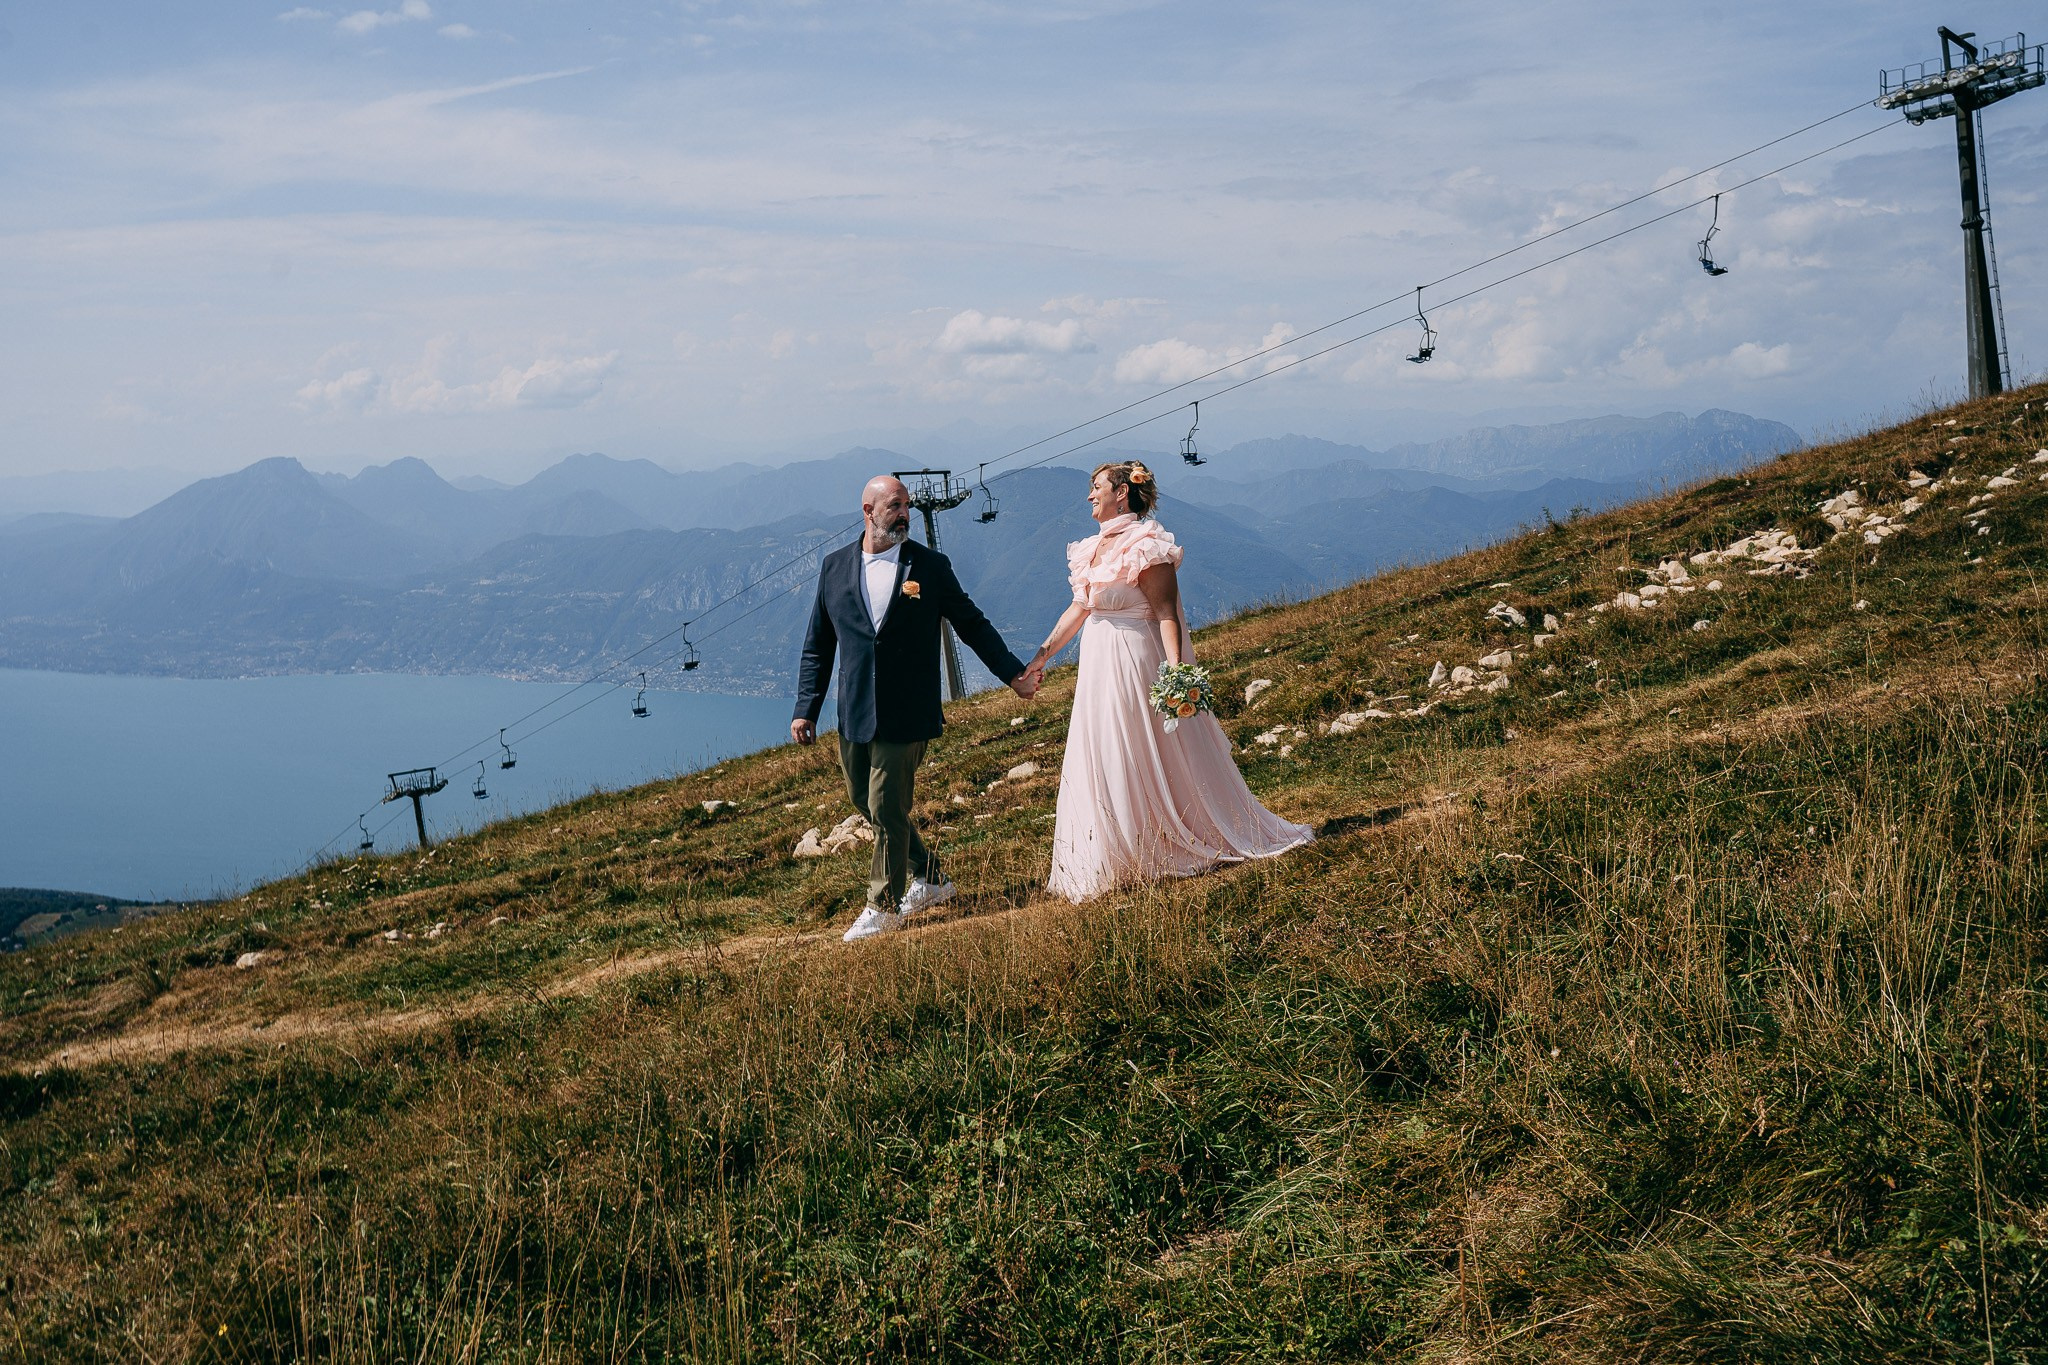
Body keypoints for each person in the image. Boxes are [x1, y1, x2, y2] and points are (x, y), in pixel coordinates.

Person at [1024, 460, 1311, 901]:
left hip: (1133, 660)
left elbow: (1165, 613)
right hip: (1097, 664)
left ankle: (1161, 841)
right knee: (1101, 747)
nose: (1089, 495)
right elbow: (1078, 609)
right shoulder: (1091, 549)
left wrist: (1176, 671)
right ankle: (1114, 853)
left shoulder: (1146, 544)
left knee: (1135, 745)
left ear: (1121, 492)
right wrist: (1042, 656)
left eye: (1096, 487)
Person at [794, 475, 1042, 941]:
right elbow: (818, 645)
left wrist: (1014, 675)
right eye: (895, 505)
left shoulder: (929, 566)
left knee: (887, 805)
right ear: (868, 512)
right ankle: (930, 878)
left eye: (907, 504)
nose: (904, 512)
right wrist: (806, 707)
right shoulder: (834, 568)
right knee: (863, 803)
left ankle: (883, 907)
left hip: (909, 711)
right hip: (855, 711)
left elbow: (972, 623)